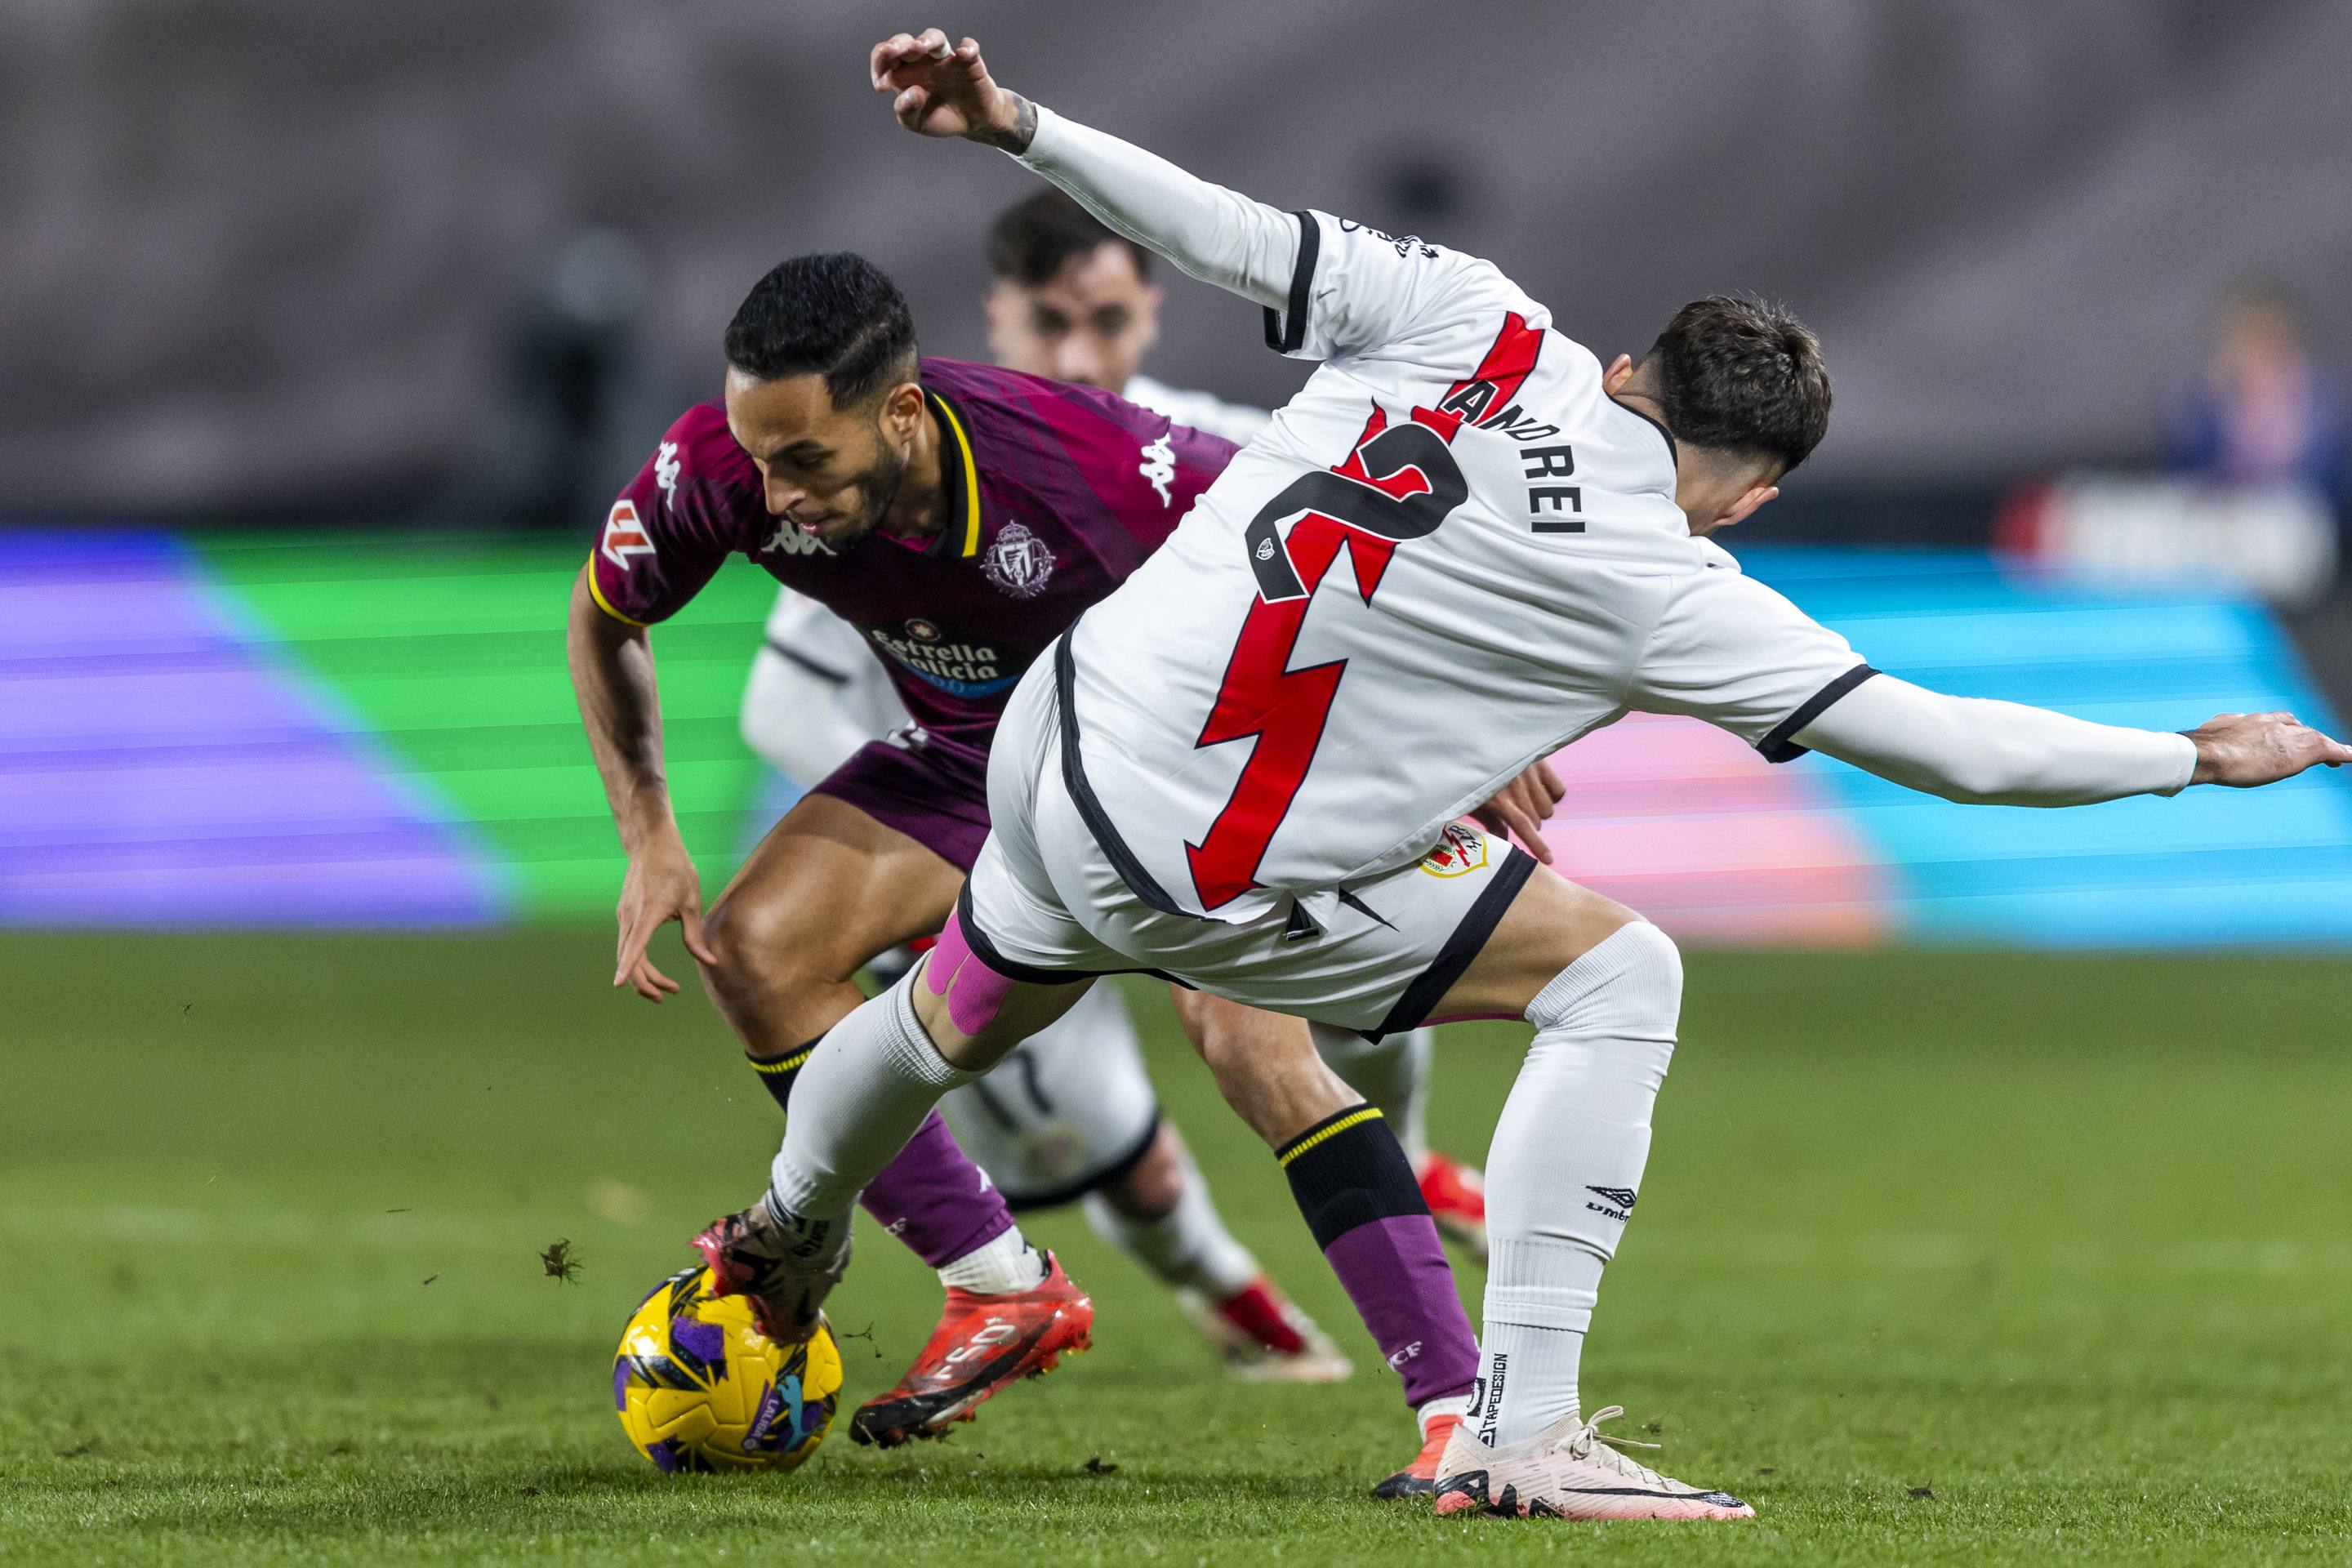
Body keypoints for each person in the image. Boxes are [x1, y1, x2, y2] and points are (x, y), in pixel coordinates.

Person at [702, 29, 2352, 1524]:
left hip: (1053, 753)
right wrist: (2192, 756)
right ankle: (1521, 1429)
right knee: (1622, 972)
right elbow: (1946, 743)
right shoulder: (1668, 577)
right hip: (1196, 874)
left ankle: (783, 1227)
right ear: (1752, 488)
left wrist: (1014, 123)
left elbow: (1216, 230)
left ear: (1631, 368)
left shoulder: (1472, 311)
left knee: (935, 1021)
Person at [571, 247, 1552, 1485]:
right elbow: (605, 614)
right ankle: (1000, 1282)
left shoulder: (1097, 471)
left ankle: (1465, 1416)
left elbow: (1344, 536)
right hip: (979, 760)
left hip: (1172, 775)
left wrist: (1463, 734)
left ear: (904, 414)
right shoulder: (721, 471)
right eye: (759, 459)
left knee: (1254, 1049)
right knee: (763, 949)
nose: (774, 496)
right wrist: (650, 830)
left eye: (806, 463)